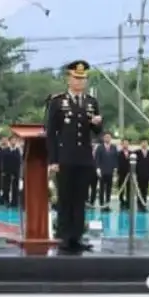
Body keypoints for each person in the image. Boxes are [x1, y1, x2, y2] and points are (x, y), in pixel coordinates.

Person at [44, 60, 102, 254]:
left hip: (84, 158)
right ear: (69, 78)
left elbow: (97, 130)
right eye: (76, 78)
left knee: (80, 198)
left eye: (83, 79)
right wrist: (53, 160)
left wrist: (96, 123)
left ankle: (77, 236)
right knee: (65, 197)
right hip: (65, 157)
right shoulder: (58, 102)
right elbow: (51, 133)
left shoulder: (91, 102)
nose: (80, 82)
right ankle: (64, 237)